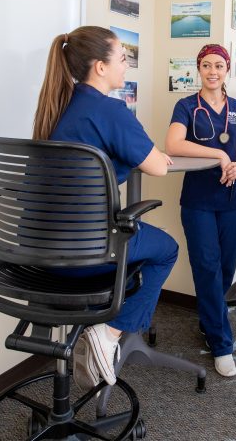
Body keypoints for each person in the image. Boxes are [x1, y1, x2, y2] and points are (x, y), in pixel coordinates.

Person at [32, 25, 178, 392]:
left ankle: (103, 327)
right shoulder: (110, 111)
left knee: (134, 248)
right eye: (123, 59)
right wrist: (154, 155)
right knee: (166, 249)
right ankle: (108, 332)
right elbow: (159, 166)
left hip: (40, 254)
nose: (126, 66)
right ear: (99, 66)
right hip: (90, 255)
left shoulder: (57, 107)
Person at [165, 44, 236, 377]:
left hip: (232, 197)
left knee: (225, 268)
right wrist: (218, 155)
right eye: (206, 65)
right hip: (199, 200)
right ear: (198, 69)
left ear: (227, 69)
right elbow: (173, 144)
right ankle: (220, 343)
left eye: (219, 65)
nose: (212, 71)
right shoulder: (186, 105)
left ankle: (208, 319)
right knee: (206, 265)